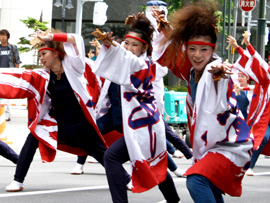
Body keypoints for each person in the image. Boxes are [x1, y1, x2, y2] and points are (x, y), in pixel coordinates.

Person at [152, 1, 253, 202]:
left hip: (231, 144)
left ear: (213, 50)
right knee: (211, 188)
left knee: (196, 180)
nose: (197, 55)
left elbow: (220, 80)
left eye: (204, 50)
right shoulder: (190, 70)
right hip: (210, 146)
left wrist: (220, 75)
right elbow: (171, 53)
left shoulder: (217, 71)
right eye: (193, 49)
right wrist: (166, 29)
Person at [1, 29, 120, 192]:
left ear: (56, 53)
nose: (41, 58)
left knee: (101, 153)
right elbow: (15, 78)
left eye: (44, 53)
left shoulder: (75, 68)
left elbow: (76, 39)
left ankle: (125, 179)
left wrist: (52, 36)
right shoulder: (42, 76)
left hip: (80, 124)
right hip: (56, 122)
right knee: (33, 137)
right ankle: (18, 180)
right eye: (40, 54)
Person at [92, 13, 180, 203]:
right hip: (140, 125)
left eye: (135, 45)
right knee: (155, 163)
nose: (129, 48)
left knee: (111, 157)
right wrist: (112, 44)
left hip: (144, 127)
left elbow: (124, 58)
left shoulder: (142, 65)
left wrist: (111, 45)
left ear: (145, 48)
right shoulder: (133, 62)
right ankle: (174, 200)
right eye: (127, 43)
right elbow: (118, 61)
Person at [227, 34, 270, 176]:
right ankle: (248, 165)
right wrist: (242, 46)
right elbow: (256, 62)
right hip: (265, 113)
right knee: (261, 137)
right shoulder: (266, 75)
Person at [0, 29, 21, 121]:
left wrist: (15, 73)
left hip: (9, 73)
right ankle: (3, 113)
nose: (3, 37)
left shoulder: (13, 47)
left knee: (5, 94)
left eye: (5, 35)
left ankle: (7, 114)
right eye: (1, 35)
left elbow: (17, 61)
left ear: (7, 37)